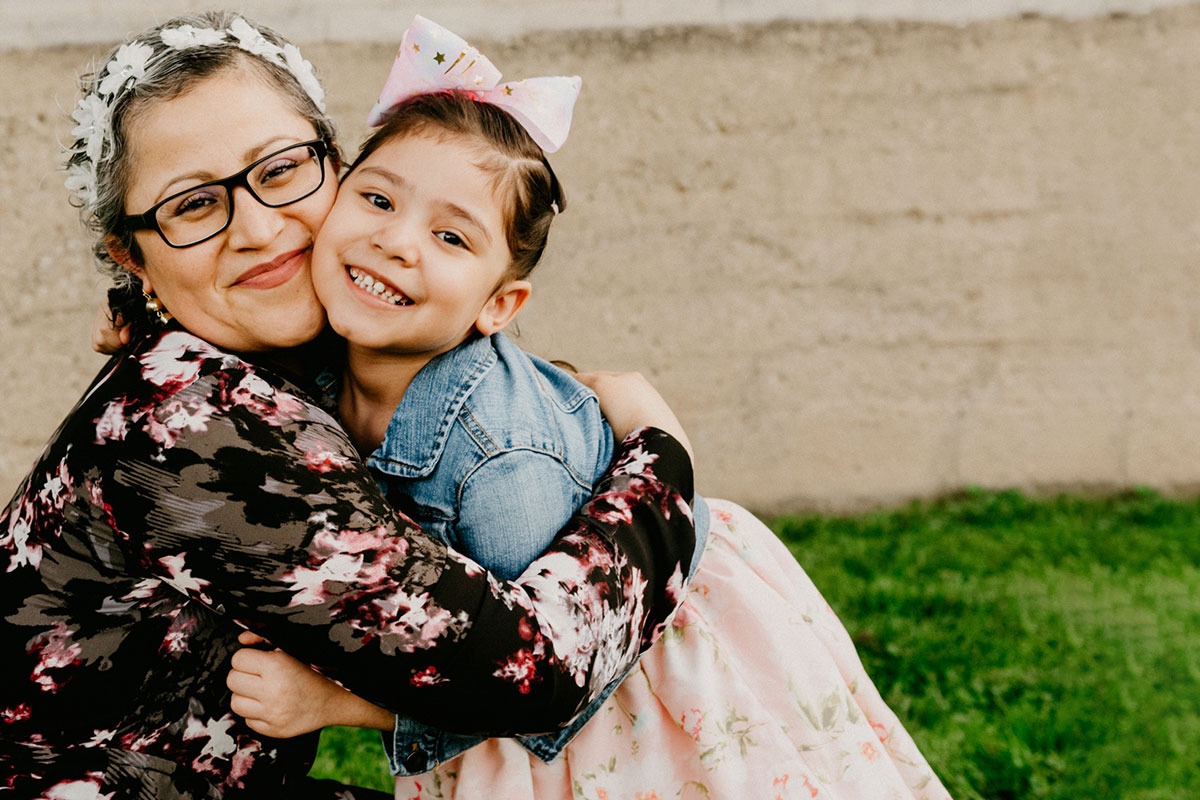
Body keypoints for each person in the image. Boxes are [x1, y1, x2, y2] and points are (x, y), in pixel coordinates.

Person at [221, 18, 953, 800]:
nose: (397, 242)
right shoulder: (337, 351)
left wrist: (344, 704)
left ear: (499, 306)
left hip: (631, 682)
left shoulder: (503, 461)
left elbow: (549, 674)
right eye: (376, 198)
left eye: (450, 237)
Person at [0, 13, 700, 799]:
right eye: (193, 207)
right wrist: (661, 457)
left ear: (334, 161)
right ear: (136, 254)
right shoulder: (192, 434)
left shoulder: (257, 351)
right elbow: (532, 667)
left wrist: (138, 303)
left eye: (279, 170)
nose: (261, 231)